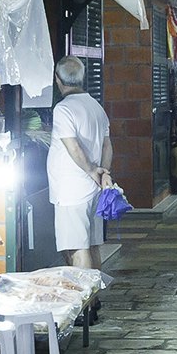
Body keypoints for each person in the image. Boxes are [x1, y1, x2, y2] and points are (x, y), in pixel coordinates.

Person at [48, 57, 114, 268]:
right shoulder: (96, 106)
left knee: (77, 248)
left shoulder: (63, 109)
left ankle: (86, 300)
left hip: (71, 190)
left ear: (58, 80)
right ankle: (95, 299)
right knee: (92, 245)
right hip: (92, 187)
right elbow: (107, 146)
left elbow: (73, 147)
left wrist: (93, 170)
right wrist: (104, 174)